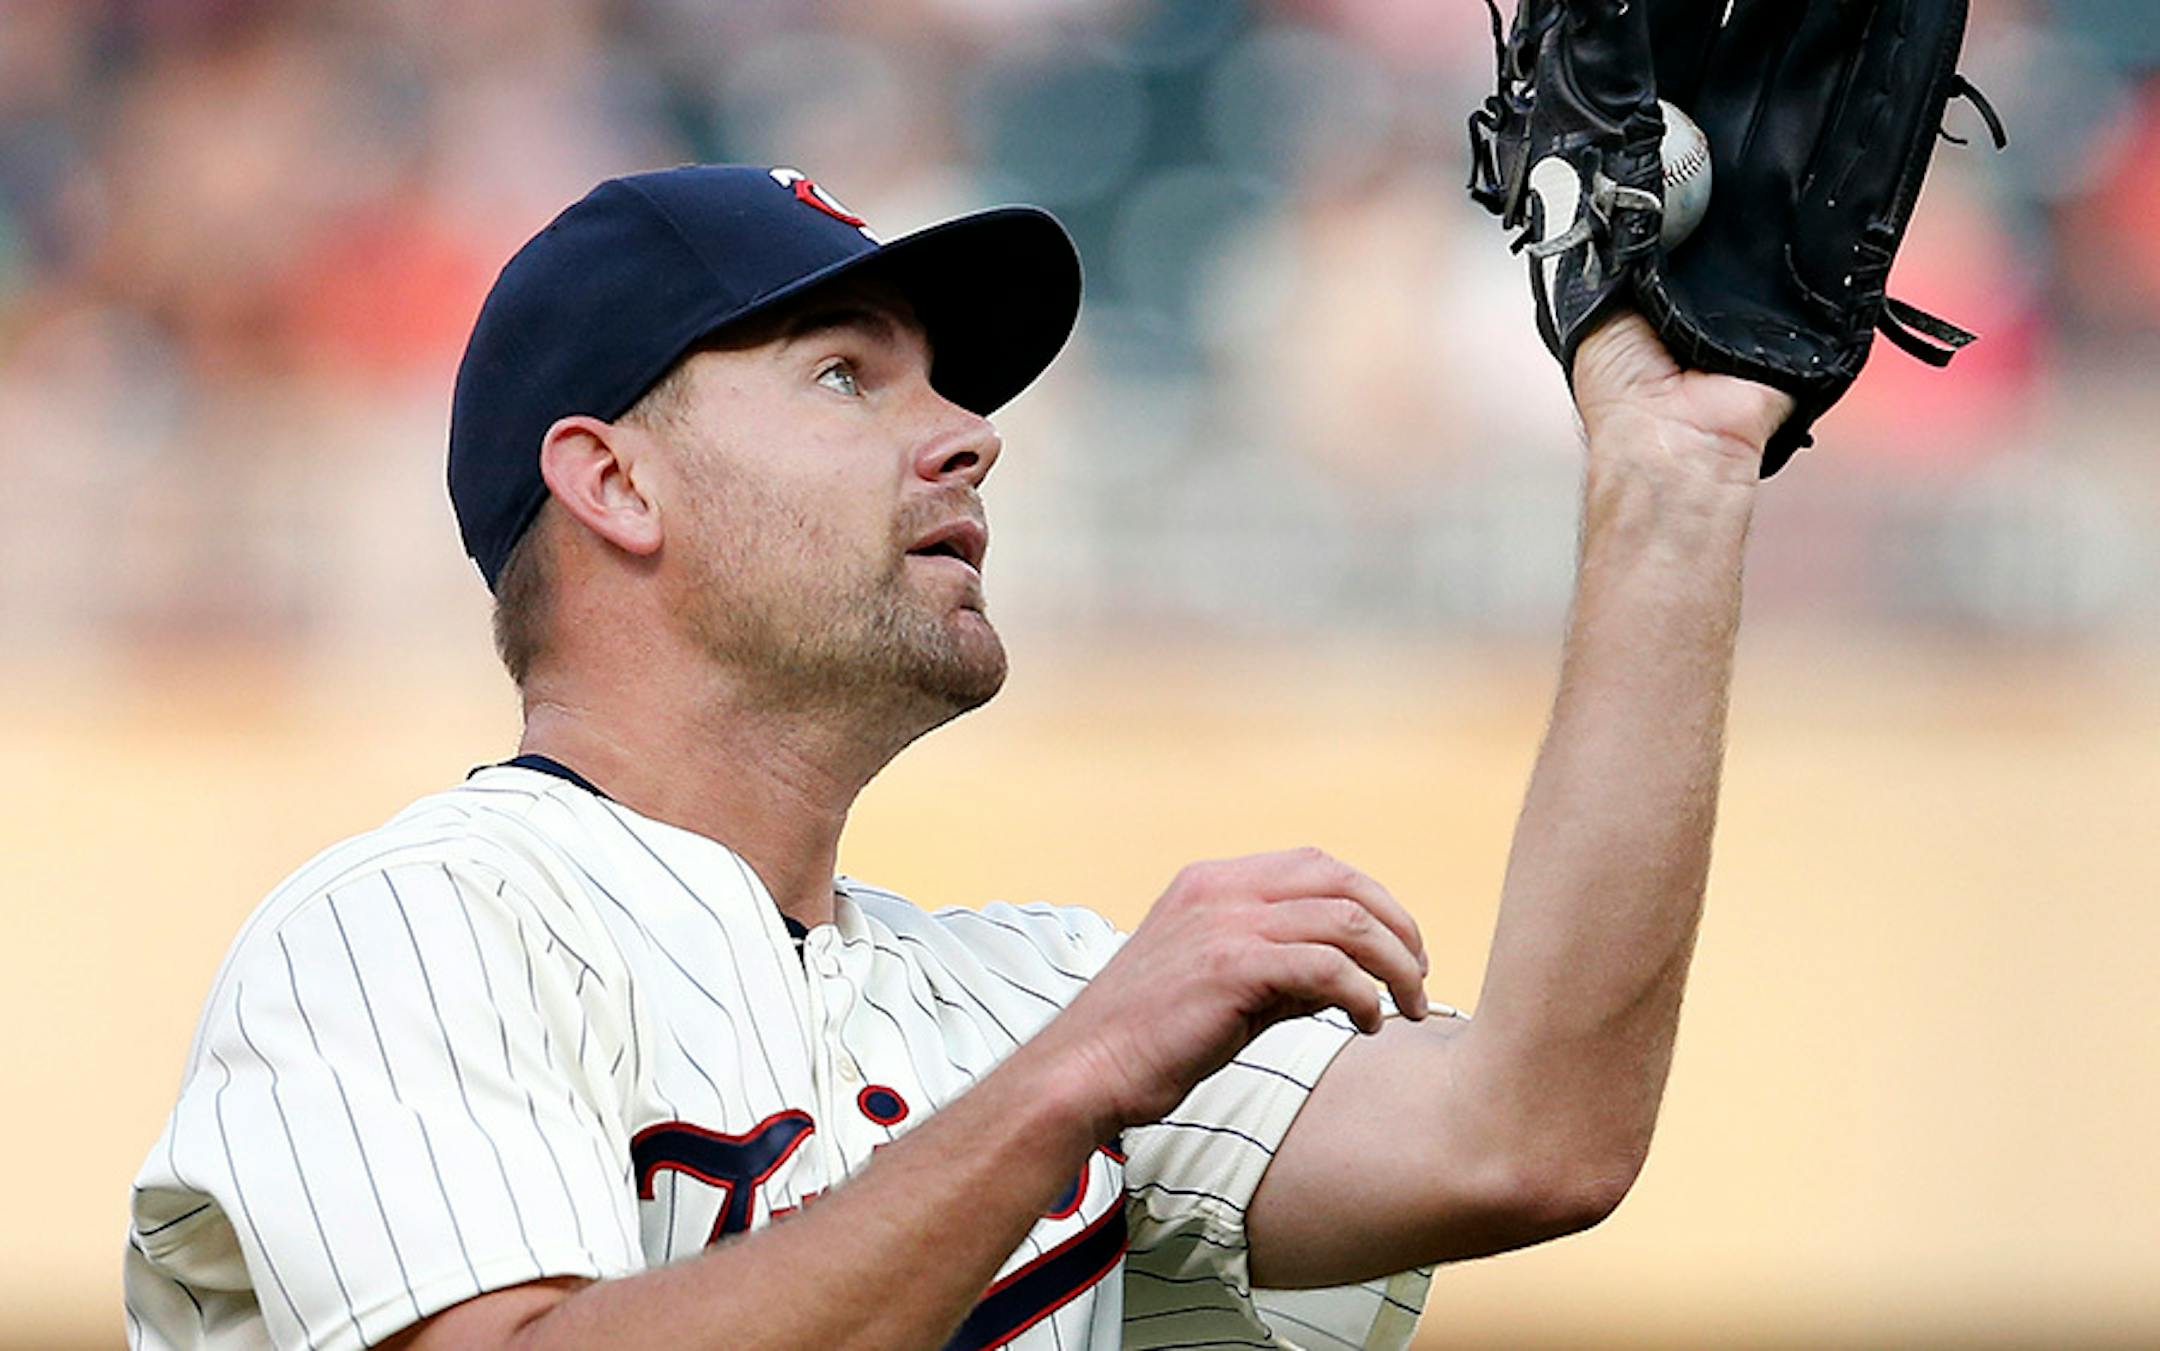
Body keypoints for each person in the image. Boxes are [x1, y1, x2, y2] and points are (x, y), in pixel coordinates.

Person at [125, 164, 1789, 1351]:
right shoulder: (405, 931)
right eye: (846, 372)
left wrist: (1674, 473)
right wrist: (1072, 1083)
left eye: (947, 384)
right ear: (615, 485)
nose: (970, 432)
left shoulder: (1024, 993)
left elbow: (1533, 1139)